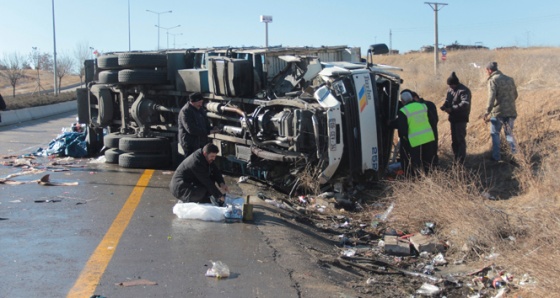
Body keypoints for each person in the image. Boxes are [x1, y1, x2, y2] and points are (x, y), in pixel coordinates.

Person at [390, 90, 436, 175]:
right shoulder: (423, 106)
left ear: (403, 101)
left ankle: (417, 179)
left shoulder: (403, 110)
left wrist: (405, 139)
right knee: (427, 161)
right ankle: (429, 177)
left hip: (415, 140)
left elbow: (403, 129)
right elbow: (432, 121)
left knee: (416, 162)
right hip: (428, 137)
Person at [483, 62, 518, 162]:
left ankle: (496, 157)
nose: (486, 73)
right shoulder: (510, 79)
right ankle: (516, 156)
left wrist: (487, 111)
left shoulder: (493, 80)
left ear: (489, 70)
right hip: (511, 111)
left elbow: (491, 97)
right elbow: (515, 95)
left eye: (486, 71)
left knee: (495, 134)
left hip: (498, 113)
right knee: (509, 134)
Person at [440, 72, 471, 164]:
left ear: (455, 83)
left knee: (460, 139)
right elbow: (447, 99)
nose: (450, 87)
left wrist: (452, 109)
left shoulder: (464, 90)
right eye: (449, 85)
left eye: (451, 85)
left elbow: (465, 104)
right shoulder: (450, 90)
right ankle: (456, 157)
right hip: (453, 119)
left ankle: (461, 160)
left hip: (461, 118)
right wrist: (444, 106)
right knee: (454, 140)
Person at [178, 92, 215, 157]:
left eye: (202, 102)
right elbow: (191, 129)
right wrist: (208, 132)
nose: (201, 105)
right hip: (190, 144)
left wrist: (212, 128)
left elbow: (205, 123)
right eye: (199, 102)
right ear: (193, 102)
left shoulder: (200, 110)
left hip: (200, 142)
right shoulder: (185, 111)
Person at [410, 90, 439, 170]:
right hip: (425, 134)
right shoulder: (424, 105)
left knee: (431, 154)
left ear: (416, 97)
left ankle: (433, 170)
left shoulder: (427, 105)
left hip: (430, 133)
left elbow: (434, 120)